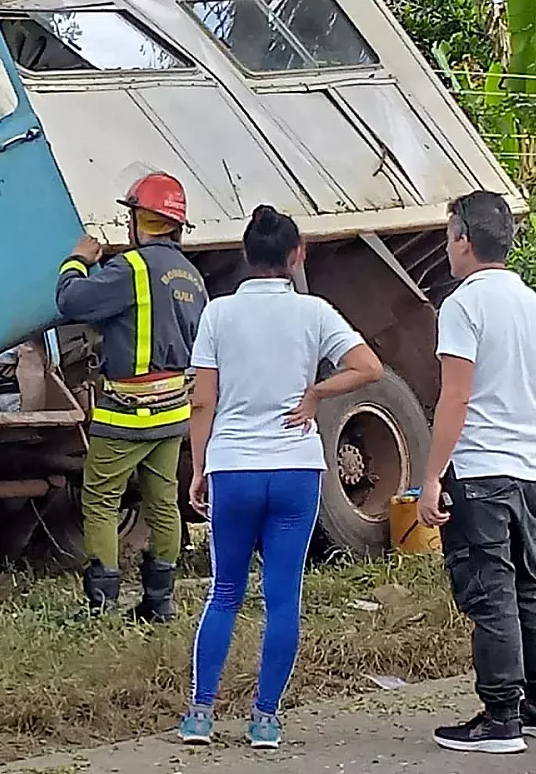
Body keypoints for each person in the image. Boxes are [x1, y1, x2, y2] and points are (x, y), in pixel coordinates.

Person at [182, 205, 383, 749]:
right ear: (298, 255)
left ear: (244, 256)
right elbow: (369, 367)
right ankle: (265, 718)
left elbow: (203, 401)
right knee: (283, 598)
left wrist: (200, 468)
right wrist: (316, 393)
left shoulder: (219, 315)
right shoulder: (315, 313)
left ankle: (200, 714)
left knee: (224, 592)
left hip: (235, 468)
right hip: (296, 468)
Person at [416, 190, 536, 754]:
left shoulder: (463, 306)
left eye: (447, 236)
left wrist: (433, 475)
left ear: (463, 239)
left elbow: (455, 397)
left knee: (489, 593)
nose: (448, 247)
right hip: (531, 471)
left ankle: (500, 716)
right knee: (527, 589)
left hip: (479, 473)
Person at [55, 167, 206, 621]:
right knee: (163, 500)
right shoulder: (191, 275)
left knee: (100, 499)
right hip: (171, 412)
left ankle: (101, 606)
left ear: (142, 220)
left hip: (126, 411)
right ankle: (160, 602)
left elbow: (72, 301)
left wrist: (77, 260)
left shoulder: (133, 268)